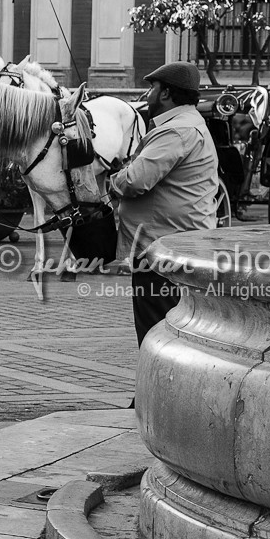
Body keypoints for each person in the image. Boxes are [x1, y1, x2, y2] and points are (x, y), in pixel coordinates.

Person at [108, 62, 219, 344]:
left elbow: (134, 181)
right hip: (177, 242)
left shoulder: (175, 131)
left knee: (157, 334)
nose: (147, 95)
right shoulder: (189, 123)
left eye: (152, 88)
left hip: (161, 247)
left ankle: (154, 376)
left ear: (166, 93)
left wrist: (113, 180)